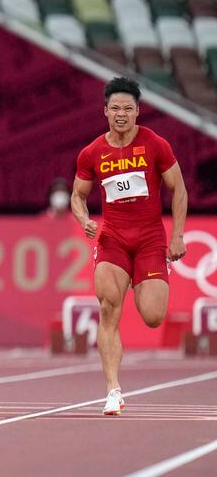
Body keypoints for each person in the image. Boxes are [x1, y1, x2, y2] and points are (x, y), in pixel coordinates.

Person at [71, 77, 187, 415]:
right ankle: (113, 390)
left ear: (138, 112)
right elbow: (78, 195)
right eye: (115, 109)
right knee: (108, 309)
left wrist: (178, 235)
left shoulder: (156, 144)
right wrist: (83, 220)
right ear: (105, 111)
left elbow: (178, 190)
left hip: (150, 238)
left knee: (152, 316)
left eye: (128, 109)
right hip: (114, 239)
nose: (121, 114)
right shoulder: (92, 152)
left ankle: (143, 276)